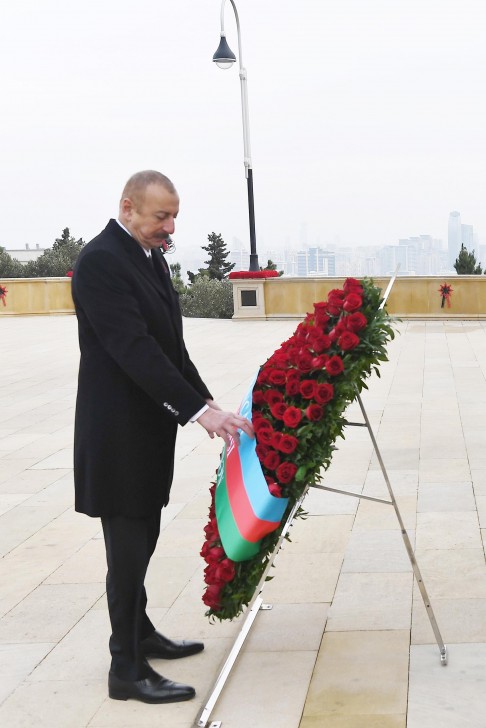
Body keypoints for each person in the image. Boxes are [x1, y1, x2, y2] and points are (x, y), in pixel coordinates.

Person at [71, 170, 253, 705]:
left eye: (174, 216)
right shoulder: (101, 261)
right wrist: (196, 412)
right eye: (161, 216)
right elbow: (134, 348)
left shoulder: (148, 256)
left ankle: (142, 633)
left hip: (145, 431)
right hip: (117, 436)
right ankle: (125, 668)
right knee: (128, 550)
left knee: (142, 539)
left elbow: (170, 345)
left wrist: (207, 402)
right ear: (128, 207)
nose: (170, 227)